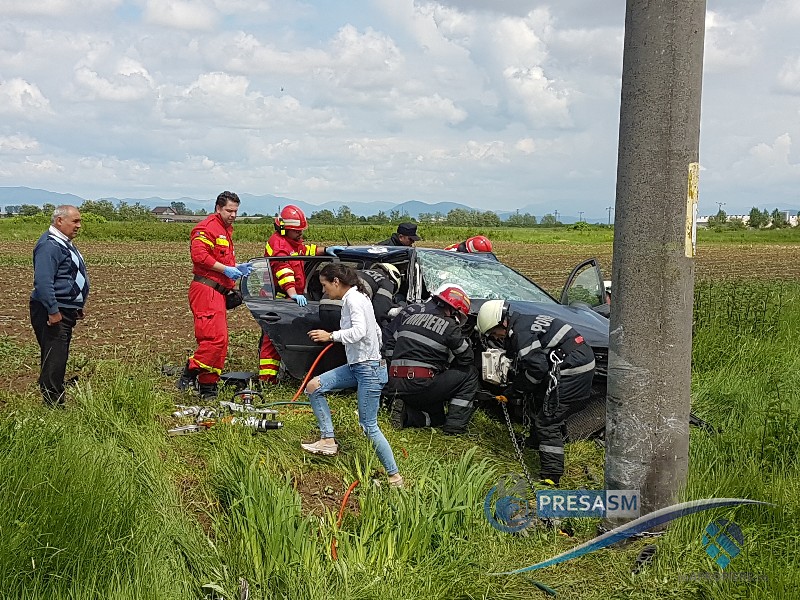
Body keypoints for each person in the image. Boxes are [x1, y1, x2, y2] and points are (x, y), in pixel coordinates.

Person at [302, 263, 403, 487]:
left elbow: (360, 332)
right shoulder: (360, 297)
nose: (324, 291)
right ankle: (327, 439)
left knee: (369, 425)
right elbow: (375, 329)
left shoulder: (353, 300)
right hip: (361, 365)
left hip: (368, 369)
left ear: (336, 282)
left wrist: (331, 336)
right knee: (314, 386)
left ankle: (394, 477)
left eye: (325, 285)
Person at [476, 300, 596, 485]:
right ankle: (535, 441)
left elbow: (536, 369)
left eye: (494, 332)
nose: (496, 337)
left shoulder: (521, 334)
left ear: (501, 323)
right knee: (540, 400)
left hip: (572, 371)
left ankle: (551, 475)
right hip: (577, 362)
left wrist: (514, 391)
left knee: (548, 420)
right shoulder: (523, 322)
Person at [177, 191, 251, 399]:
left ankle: (208, 388)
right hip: (206, 291)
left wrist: (235, 268)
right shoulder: (206, 228)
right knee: (214, 340)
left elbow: (220, 261)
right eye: (229, 210)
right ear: (218, 208)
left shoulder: (225, 231)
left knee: (221, 343)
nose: (233, 215)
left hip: (218, 292)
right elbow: (199, 256)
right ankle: (190, 370)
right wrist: (225, 270)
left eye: (236, 211)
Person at [258, 204, 343, 383]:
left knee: (276, 341)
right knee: (273, 341)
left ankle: (273, 376)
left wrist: (325, 250)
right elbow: (283, 270)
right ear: (285, 229)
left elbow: (305, 251)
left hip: (289, 295)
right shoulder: (280, 245)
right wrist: (293, 293)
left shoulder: (291, 242)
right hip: (280, 298)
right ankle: (267, 380)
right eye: (298, 231)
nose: (301, 234)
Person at [383, 284, 479, 434]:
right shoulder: (450, 326)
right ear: (454, 311)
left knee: (438, 416)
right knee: (470, 374)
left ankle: (406, 415)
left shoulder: (410, 318)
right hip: (420, 386)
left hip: (394, 384)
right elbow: (467, 359)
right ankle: (455, 428)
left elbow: (389, 346)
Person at [30, 205, 89, 407]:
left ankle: (54, 391)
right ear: (59, 221)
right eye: (75, 221)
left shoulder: (63, 243)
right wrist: (53, 310)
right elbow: (43, 282)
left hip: (66, 308)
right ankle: (53, 404)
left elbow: (68, 276)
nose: (79, 226)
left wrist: (77, 304)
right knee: (54, 356)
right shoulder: (49, 245)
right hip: (52, 311)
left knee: (58, 353)